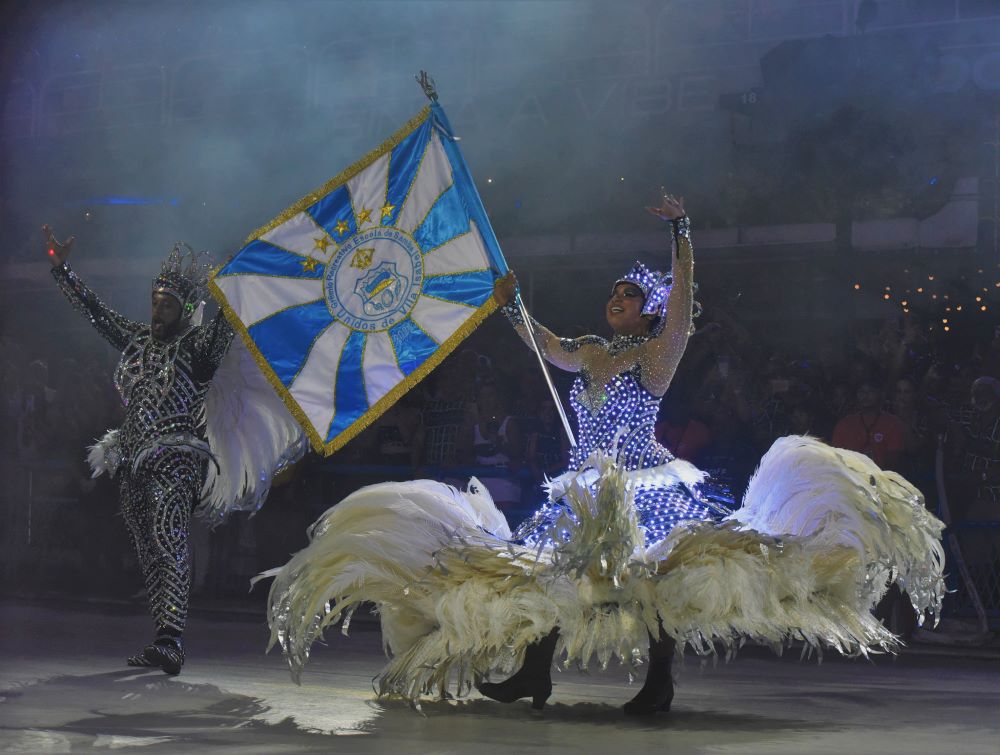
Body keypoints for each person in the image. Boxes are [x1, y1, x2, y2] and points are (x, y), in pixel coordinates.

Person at [262, 197, 944, 718]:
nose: (616, 300)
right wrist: (511, 306)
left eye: (629, 296)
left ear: (647, 313)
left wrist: (681, 233)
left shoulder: (656, 352)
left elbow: (683, 311)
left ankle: (658, 680)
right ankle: (536, 669)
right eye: (613, 294)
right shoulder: (588, 350)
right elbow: (542, 342)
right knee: (548, 573)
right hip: (584, 486)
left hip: (641, 481)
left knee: (658, 581)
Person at [43, 224, 234, 675]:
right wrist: (64, 271)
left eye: (167, 305)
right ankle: (161, 638)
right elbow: (96, 312)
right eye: (155, 302)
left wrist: (231, 287)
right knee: (148, 551)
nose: (157, 311)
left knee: (170, 541)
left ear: (186, 309)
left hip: (176, 460)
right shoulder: (139, 341)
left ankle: (172, 641)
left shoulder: (198, 348)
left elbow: (226, 325)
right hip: (132, 462)